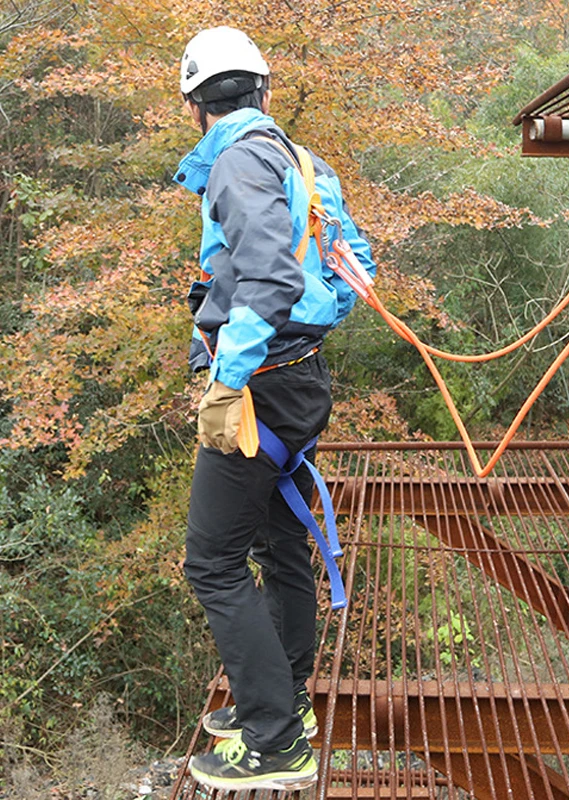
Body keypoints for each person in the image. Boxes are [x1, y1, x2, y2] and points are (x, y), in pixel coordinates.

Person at [174, 26, 376, 792]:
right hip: (301, 380)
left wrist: (231, 374)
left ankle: (276, 742)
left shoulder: (233, 159)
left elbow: (264, 276)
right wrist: (302, 340)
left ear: (196, 104)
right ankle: (287, 696)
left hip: (259, 389)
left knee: (213, 563)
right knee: (279, 544)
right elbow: (360, 263)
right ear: (264, 90)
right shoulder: (300, 161)